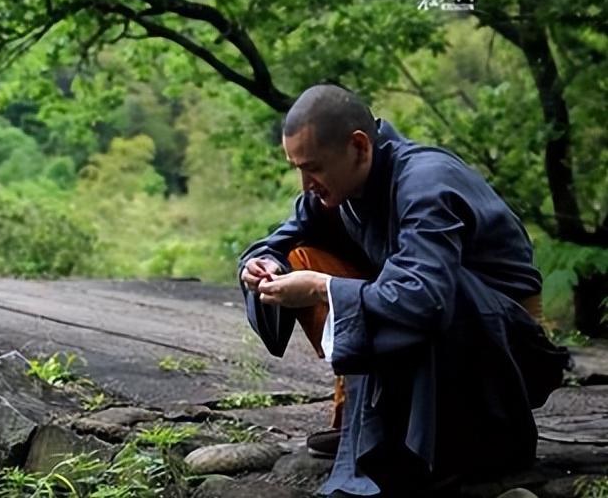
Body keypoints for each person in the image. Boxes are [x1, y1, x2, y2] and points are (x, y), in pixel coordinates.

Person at [238, 84, 569, 498]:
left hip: (498, 344)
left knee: (414, 291)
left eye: (314, 168)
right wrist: (263, 264)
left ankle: (471, 439)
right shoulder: (335, 190)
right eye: (298, 168)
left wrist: (325, 288)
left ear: (359, 147)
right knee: (303, 256)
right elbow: (276, 242)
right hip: (436, 324)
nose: (306, 184)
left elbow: (424, 296)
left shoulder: (425, 181)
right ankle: (374, 423)